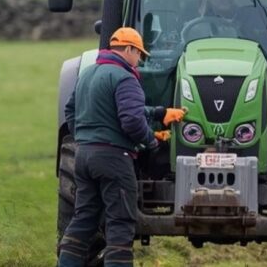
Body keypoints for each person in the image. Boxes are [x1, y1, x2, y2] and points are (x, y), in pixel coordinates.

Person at [58, 27, 185, 267]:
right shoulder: (126, 77)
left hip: (84, 157)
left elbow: (71, 110)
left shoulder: (88, 74)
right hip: (114, 159)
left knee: (84, 218)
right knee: (120, 222)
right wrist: (151, 141)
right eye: (139, 54)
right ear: (128, 49)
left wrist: (160, 114)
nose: (139, 60)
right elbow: (131, 120)